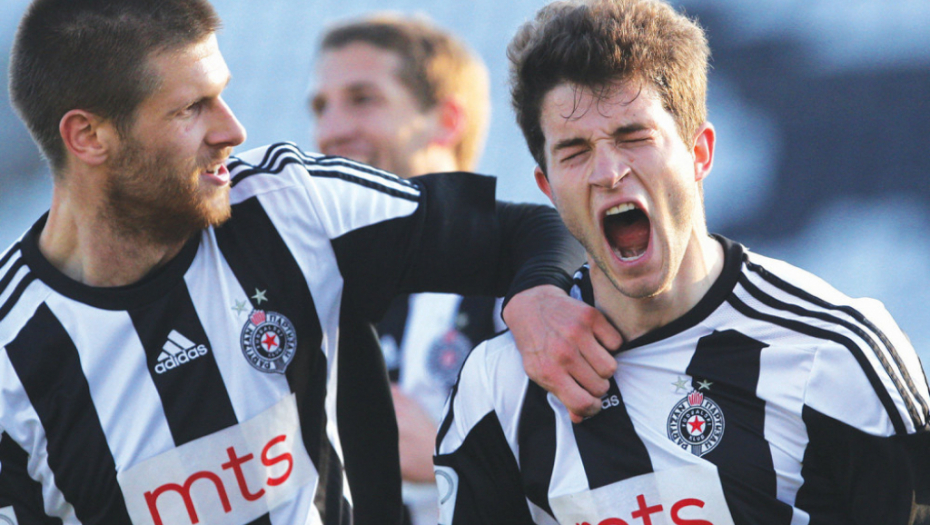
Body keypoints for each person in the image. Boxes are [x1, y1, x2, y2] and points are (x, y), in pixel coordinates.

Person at [0, 0, 613, 523]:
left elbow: (528, 230)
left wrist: (537, 296)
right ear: (89, 137)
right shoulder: (10, 359)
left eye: (222, 95)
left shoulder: (287, 204)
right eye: (191, 108)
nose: (232, 129)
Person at [433, 0, 930, 523]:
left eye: (634, 137)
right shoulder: (500, 385)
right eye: (575, 152)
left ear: (700, 153)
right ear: (547, 188)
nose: (608, 172)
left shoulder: (837, 352)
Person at [308, 14, 498, 525]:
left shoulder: (527, 288)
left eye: (363, 99)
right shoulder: (314, 291)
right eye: (321, 107)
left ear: (447, 120)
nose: (330, 130)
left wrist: (445, 462)